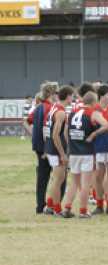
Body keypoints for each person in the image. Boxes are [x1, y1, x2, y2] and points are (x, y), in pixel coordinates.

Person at [62, 91, 108, 218]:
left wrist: (70, 145)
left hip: (74, 152)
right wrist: (94, 134)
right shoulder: (93, 112)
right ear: (94, 102)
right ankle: (83, 211)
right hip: (87, 152)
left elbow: (66, 132)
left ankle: (67, 208)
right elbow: (107, 125)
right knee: (85, 184)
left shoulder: (72, 112)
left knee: (73, 182)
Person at [42, 86, 74, 215]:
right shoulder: (60, 112)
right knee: (58, 180)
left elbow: (46, 130)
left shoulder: (53, 107)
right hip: (56, 149)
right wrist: (62, 154)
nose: (73, 98)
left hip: (50, 147)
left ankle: (49, 206)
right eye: (72, 96)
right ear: (67, 96)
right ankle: (57, 209)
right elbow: (55, 135)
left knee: (56, 179)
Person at [31, 82, 59, 214]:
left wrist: (33, 135)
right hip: (47, 147)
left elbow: (27, 121)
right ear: (52, 94)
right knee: (59, 176)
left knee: (42, 177)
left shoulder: (38, 107)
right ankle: (53, 204)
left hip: (38, 146)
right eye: (57, 93)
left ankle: (40, 205)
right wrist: (48, 149)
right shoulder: (50, 108)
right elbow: (47, 129)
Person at [92, 85, 108, 215]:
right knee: (98, 177)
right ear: (101, 96)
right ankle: (99, 204)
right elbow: (106, 125)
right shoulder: (96, 109)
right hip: (99, 146)